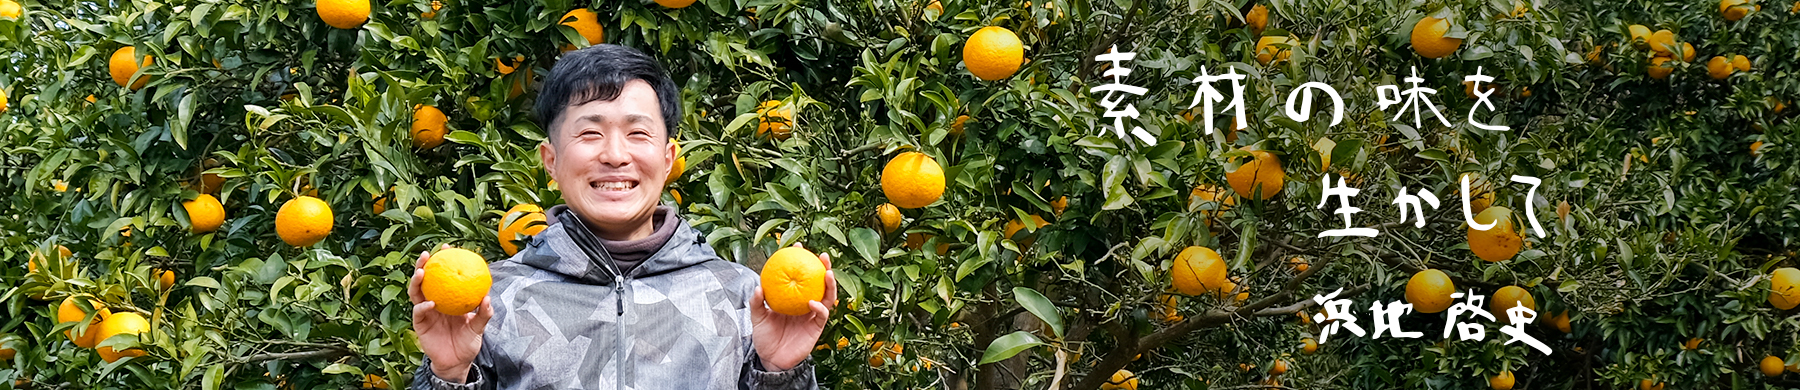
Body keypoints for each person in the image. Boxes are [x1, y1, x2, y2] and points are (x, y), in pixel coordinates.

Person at [406, 44, 833, 390]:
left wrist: (780, 374)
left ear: (668, 159)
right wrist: (446, 375)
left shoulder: (741, 297)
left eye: (637, 133)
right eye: (590, 133)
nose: (614, 155)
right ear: (550, 161)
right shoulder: (490, 302)